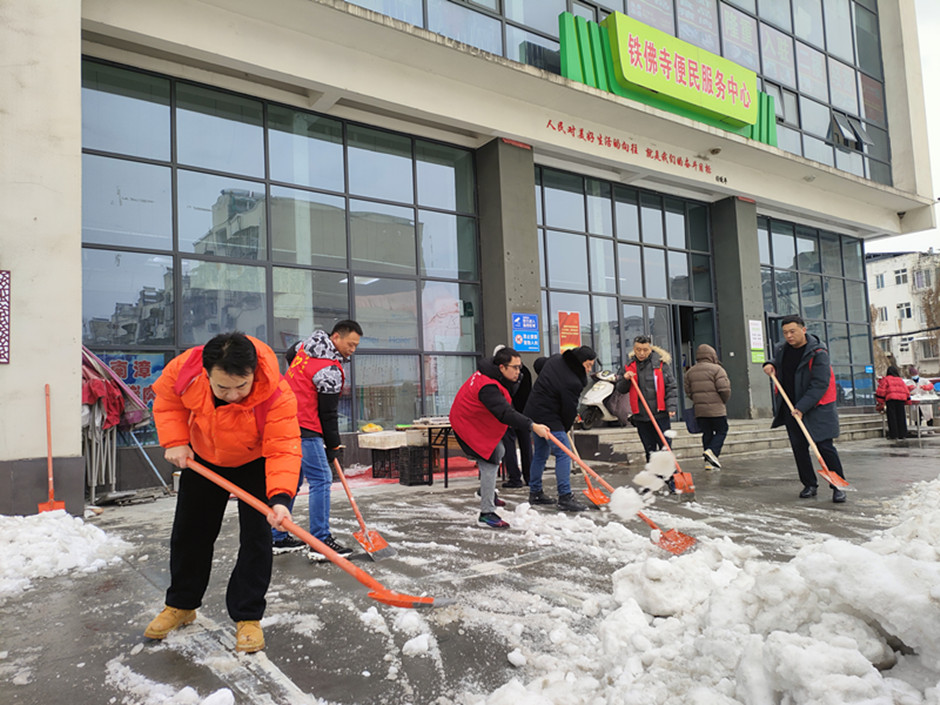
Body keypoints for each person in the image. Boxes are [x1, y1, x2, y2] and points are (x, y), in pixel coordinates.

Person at [144, 332, 301, 653]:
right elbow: (167, 401)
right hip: (204, 458)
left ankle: (247, 615)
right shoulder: (185, 370)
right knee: (190, 533)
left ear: (254, 373)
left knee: (257, 538)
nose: (232, 395)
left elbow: (283, 447)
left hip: (253, 461)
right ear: (206, 374)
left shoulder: (277, 393)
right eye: (222, 388)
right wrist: (175, 440)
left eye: (241, 387)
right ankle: (182, 604)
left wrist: (281, 499)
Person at [273, 320, 362, 560]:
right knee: (321, 480)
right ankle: (320, 542)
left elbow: (290, 353)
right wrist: (333, 446)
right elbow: (328, 414)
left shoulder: (305, 347)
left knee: (293, 480)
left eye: (356, 346)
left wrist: (300, 384)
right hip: (304, 427)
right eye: (350, 344)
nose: (352, 349)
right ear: (336, 338)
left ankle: (277, 537)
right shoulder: (329, 371)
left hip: (283, 420)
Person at [450, 347, 551, 528]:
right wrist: (533, 426)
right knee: (491, 457)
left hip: (474, 421)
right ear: (502, 367)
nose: (519, 372)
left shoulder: (494, 376)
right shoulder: (488, 386)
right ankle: (486, 513)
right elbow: (505, 412)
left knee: (500, 450)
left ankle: (485, 491)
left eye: (520, 367)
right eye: (515, 368)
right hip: (467, 424)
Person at [762, 315, 847, 503]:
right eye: (785, 333)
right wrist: (769, 364)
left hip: (817, 408)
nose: (789, 336)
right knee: (799, 448)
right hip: (790, 407)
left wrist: (802, 407)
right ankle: (809, 484)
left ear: (803, 330)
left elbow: (820, 384)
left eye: (792, 331)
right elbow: (776, 361)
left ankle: (838, 485)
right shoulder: (782, 349)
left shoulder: (818, 353)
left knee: (825, 447)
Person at [524, 345, 597, 512]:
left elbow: (540, 364)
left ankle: (535, 492)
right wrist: (564, 426)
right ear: (580, 362)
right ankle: (565, 496)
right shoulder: (572, 381)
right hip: (550, 416)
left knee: (541, 453)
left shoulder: (556, 359)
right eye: (588, 365)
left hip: (534, 412)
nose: (589, 368)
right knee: (564, 453)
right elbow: (569, 408)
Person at [616, 336, 678, 463]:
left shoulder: (660, 364)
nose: (641, 353)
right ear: (634, 349)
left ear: (650, 349)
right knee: (650, 451)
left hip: (660, 415)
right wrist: (625, 379)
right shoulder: (629, 366)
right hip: (641, 417)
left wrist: (671, 407)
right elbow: (621, 389)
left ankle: (670, 478)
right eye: (638, 350)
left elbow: (671, 386)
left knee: (665, 449)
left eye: (645, 350)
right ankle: (655, 478)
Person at [684, 344, 731, 470]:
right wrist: (723, 401)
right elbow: (724, 389)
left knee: (707, 433)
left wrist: (697, 400)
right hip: (716, 409)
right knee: (722, 430)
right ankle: (712, 451)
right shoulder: (717, 369)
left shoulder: (690, 372)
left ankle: (709, 463)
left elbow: (688, 391)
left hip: (700, 410)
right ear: (712, 355)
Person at [492, 344, 533, 489]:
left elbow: (508, 396)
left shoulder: (506, 377)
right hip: (523, 413)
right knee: (525, 446)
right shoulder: (525, 371)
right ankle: (530, 477)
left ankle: (515, 478)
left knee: (510, 446)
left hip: (511, 414)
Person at [875, 365, 911, 440]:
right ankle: (903, 434)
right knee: (901, 416)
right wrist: (908, 400)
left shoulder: (886, 379)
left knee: (892, 417)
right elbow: (906, 390)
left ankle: (894, 434)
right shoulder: (900, 380)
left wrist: (880, 400)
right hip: (901, 400)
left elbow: (881, 390)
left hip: (891, 400)